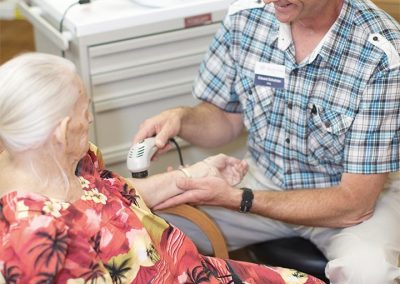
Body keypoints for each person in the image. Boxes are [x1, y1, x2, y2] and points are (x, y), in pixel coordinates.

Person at [133, 0, 400, 282]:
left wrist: (240, 199)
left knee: (371, 274)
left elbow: (354, 203)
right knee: (142, 228)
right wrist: (182, 119)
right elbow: (225, 119)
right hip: (262, 178)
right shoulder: (247, 17)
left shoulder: (382, 53)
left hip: (348, 202)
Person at [0, 53, 326, 283]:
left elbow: (111, 195)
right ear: (60, 131)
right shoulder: (30, 233)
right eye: (84, 111)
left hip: (190, 270)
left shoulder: (70, 159)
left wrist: (193, 174)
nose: (90, 119)